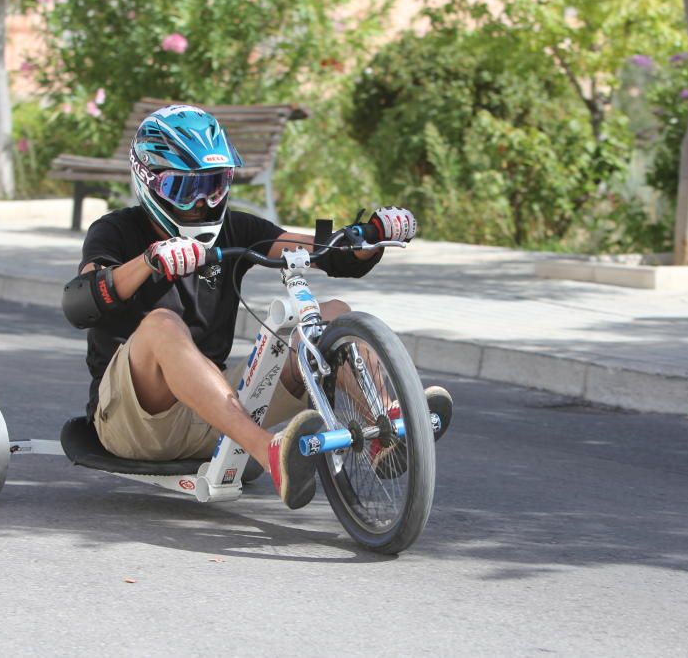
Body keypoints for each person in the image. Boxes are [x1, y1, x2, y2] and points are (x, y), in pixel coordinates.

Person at [62, 104, 444, 510]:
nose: (201, 203)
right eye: (184, 189)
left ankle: (391, 428)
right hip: (132, 423)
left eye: (213, 185)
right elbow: (80, 301)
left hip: (216, 411)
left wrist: (371, 235)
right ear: (149, 182)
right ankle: (269, 453)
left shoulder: (236, 228)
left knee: (332, 315)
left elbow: (323, 254)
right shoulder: (116, 230)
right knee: (161, 325)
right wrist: (150, 261)